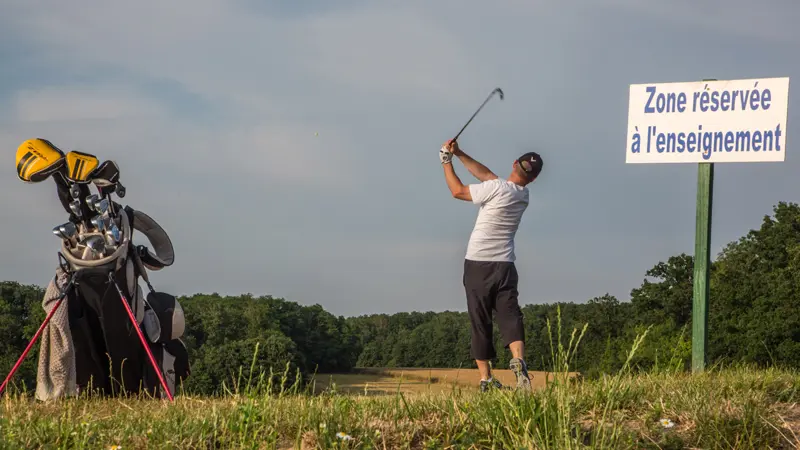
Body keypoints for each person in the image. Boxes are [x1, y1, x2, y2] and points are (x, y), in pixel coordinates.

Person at [439, 139, 543, 392]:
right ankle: (518, 361)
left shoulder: (496, 188)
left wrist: (446, 161)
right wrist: (460, 153)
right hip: (505, 265)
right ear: (533, 179)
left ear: (514, 164)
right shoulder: (522, 195)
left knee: (480, 319)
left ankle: (486, 379)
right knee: (510, 315)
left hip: (478, 264)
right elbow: (487, 175)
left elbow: (457, 191)